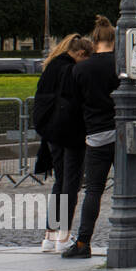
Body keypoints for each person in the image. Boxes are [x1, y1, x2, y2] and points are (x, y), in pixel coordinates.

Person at [61, 16, 117, 259]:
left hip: (97, 134)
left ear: (94, 41)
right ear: (114, 39)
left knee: (93, 190)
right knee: (129, 189)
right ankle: (128, 238)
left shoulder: (80, 68)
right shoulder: (122, 65)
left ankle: (83, 243)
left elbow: (73, 105)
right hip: (125, 133)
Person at [33, 34, 93, 253]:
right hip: (71, 131)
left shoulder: (52, 66)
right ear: (80, 54)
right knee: (71, 183)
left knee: (60, 181)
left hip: (50, 131)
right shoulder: (71, 70)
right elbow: (78, 101)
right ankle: (64, 236)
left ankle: (50, 235)